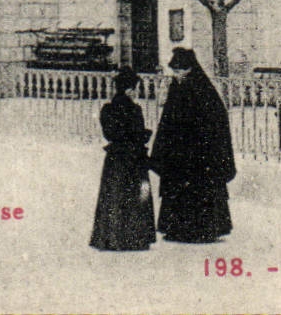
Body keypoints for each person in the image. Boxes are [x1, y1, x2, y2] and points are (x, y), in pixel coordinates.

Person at [150, 47, 236, 243]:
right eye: (175, 72)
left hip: (200, 154)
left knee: (199, 191)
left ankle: (203, 229)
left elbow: (215, 120)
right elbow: (168, 120)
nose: (177, 75)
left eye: (181, 71)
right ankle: (177, 228)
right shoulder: (177, 87)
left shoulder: (203, 90)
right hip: (179, 153)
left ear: (190, 69)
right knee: (179, 190)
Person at [89, 67, 156, 251]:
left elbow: (111, 134)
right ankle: (134, 238)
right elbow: (135, 134)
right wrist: (144, 135)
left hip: (115, 159)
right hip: (133, 159)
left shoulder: (107, 109)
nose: (136, 93)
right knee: (136, 197)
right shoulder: (134, 109)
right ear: (129, 90)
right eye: (135, 89)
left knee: (114, 197)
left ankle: (110, 238)